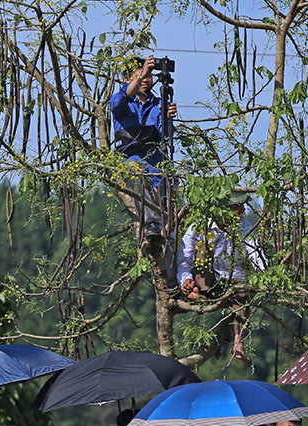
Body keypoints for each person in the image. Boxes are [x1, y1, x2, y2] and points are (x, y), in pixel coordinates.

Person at [176, 192, 264, 361]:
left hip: (232, 278)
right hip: (205, 277)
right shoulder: (200, 225)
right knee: (202, 253)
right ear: (225, 209)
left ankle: (239, 341)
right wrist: (185, 278)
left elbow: (254, 251)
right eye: (238, 206)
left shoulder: (242, 223)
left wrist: (264, 275)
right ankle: (197, 293)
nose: (242, 210)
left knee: (241, 294)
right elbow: (184, 259)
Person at [111, 55, 177, 241]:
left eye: (149, 75)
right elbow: (121, 100)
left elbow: (164, 137)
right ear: (127, 79)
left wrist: (168, 119)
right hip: (132, 164)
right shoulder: (121, 101)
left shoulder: (158, 103)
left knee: (171, 190)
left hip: (156, 167)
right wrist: (143, 73)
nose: (146, 80)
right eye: (140, 75)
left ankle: (168, 236)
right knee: (132, 170)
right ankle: (152, 223)